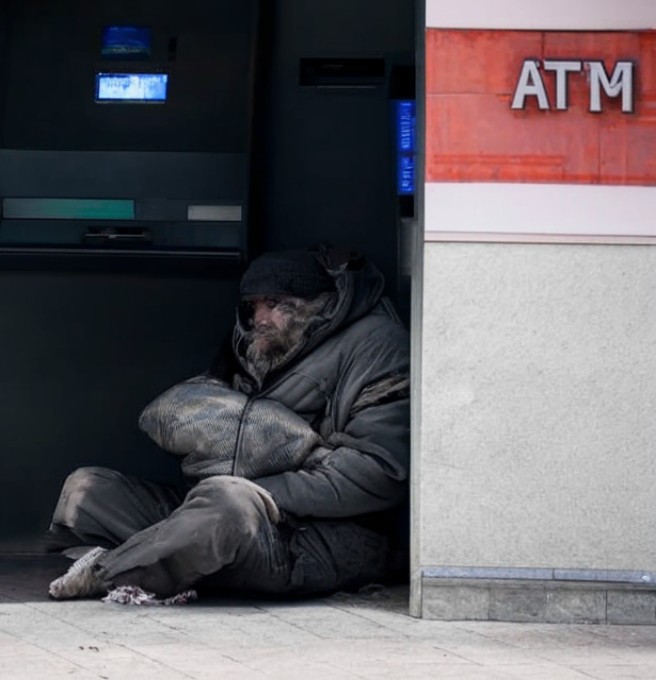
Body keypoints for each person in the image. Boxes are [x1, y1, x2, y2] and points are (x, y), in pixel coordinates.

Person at [45, 246, 410, 602]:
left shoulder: (377, 345)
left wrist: (265, 493)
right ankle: (182, 556)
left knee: (225, 506)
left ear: (316, 305)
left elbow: (381, 472)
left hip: (322, 533)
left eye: (276, 304)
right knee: (89, 491)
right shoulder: (255, 343)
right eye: (254, 306)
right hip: (231, 506)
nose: (260, 318)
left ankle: (110, 570)